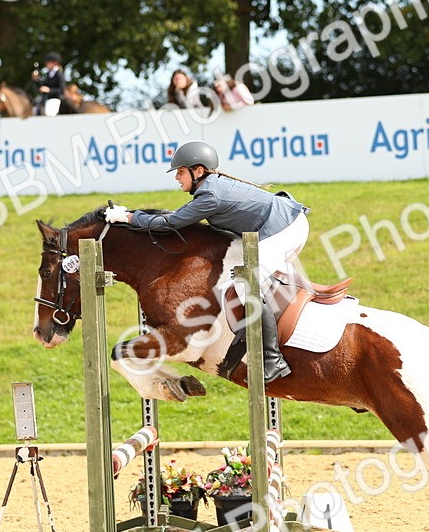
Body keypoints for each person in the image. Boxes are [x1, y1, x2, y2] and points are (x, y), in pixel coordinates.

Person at [104, 140, 308, 383]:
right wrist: (133, 216)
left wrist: (128, 218)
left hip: (284, 228)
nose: (177, 178)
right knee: (255, 284)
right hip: (285, 223)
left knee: (246, 284)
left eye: (180, 172)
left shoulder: (210, 194)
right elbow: (177, 217)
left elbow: (170, 224)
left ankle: (273, 360)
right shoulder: (210, 188)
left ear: (198, 171)